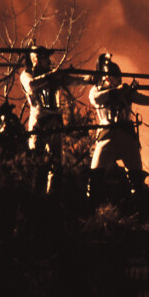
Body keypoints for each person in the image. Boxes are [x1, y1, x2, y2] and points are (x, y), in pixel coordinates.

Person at [87, 53, 149, 206]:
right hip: (107, 135)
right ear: (105, 78)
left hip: (126, 137)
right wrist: (120, 91)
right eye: (111, 76)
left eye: (116, 77)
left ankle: (138, 211)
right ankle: (92, 211)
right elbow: (97, 99)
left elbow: (146, 100)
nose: (113, 79)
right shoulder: (96, 91)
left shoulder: (127, 92)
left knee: (136, 180)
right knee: (94, 180)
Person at [19, 41, 89, 193]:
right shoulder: (26, 74)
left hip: (55, 121)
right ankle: (35, 195)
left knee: (56, 163)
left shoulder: (54, 75)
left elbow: (73, 80)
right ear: (36, 59)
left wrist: (88, 79)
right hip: (39, 121)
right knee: (37, 161)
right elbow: (31, 85)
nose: (48, 61)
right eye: (45, 58)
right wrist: (52, 75)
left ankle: (52, 196)